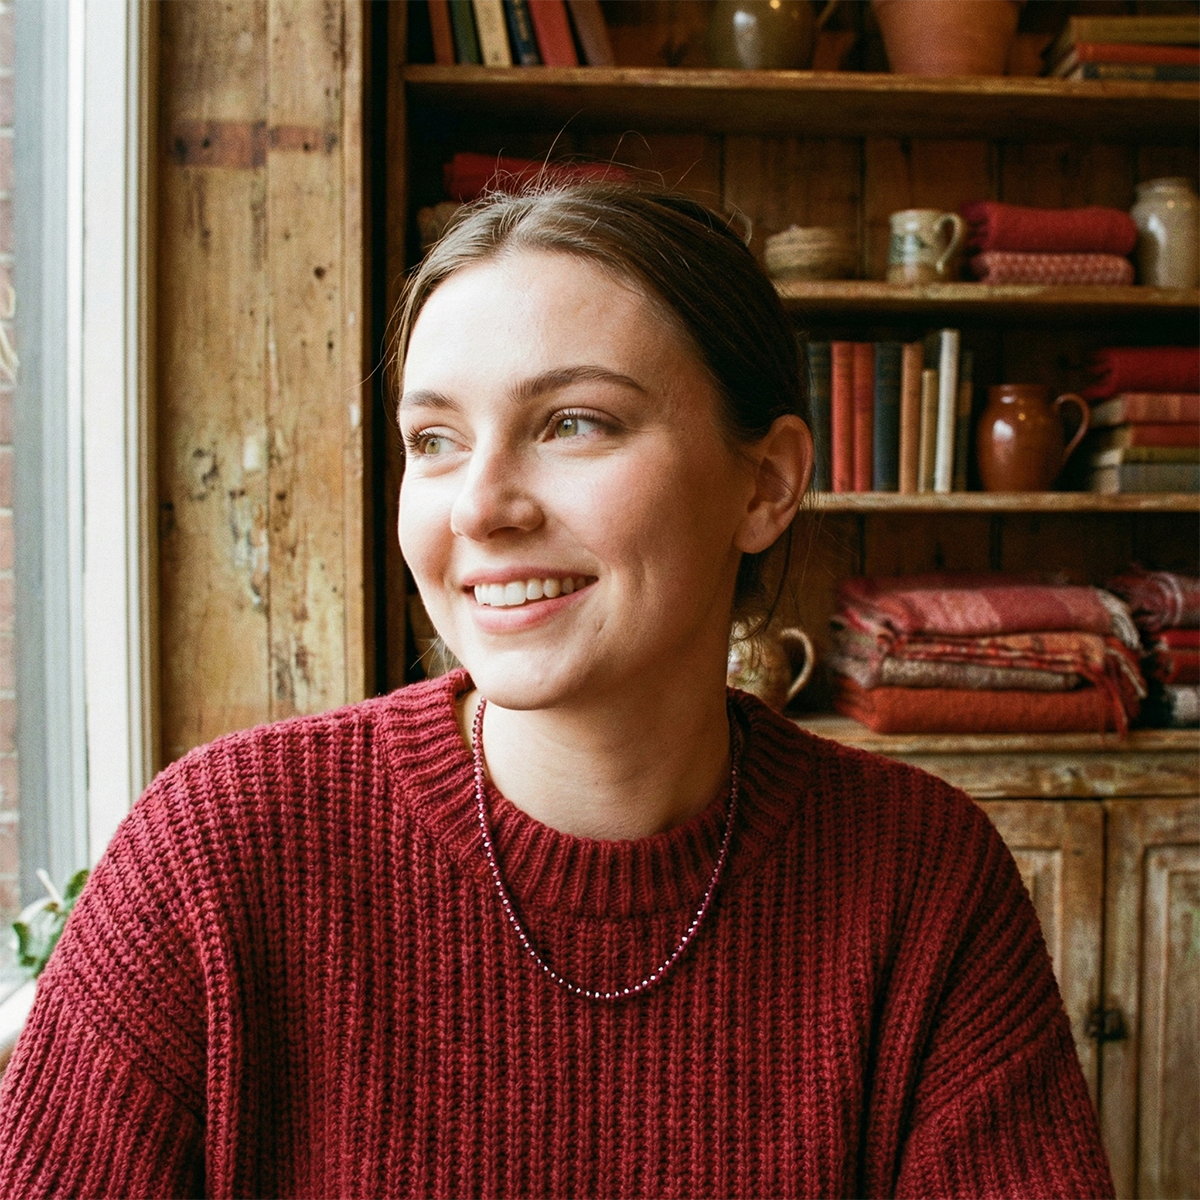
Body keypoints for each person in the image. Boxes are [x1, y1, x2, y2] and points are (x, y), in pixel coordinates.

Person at [0, 183, 1114, 1197]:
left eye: (573, 422)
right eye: (433, 439)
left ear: (766, 484)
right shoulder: (219, 853)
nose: (480, 507)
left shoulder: (921, 882)